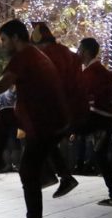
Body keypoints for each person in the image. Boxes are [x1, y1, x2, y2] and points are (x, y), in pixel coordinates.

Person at [0, 20, 68, 218]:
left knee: (27, 172)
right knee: (27, 168)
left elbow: (3, 84)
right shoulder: (36, 55)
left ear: (14, 38)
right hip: (46, 121)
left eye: (3, 40)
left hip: (42, 124)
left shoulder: (24, 57)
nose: (2, 45)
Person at [29, 22, 82, 198]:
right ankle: (59, 176)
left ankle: (49, 176)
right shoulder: (68, 53)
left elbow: (49, 82)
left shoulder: (46, 55)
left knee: (38, 141)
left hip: (56, 107)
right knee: (48, 142)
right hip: (73, 106)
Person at [77, 38, 112, 206]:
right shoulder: (97, 70)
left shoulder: (92, 72)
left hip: (98, 119)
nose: (77, 53)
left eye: (79, 50)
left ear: (87, 52)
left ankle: (62, 175)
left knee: (61, 130)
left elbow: (85, 96)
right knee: (100, 157)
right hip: (103, 119)